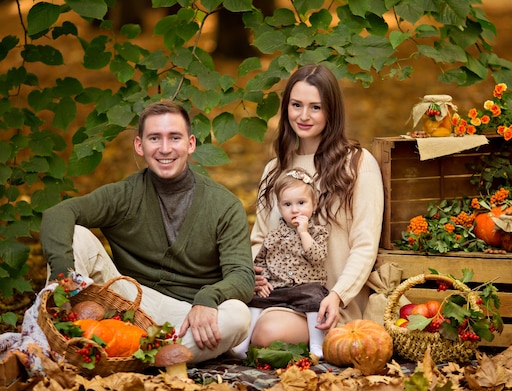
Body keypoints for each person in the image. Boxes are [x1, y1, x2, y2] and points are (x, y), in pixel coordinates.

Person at [40, 100, 255, 364]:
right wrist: (64, 281)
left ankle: (127, 357)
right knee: (76, 235)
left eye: (174, 138)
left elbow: (242, 276)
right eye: (155, 138)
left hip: (186, 315)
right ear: (140, 146)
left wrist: (207, 298)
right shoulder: (126, 194)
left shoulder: (223, 205)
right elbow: (58, 213)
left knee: (237, 315)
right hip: (128, 304)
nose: (165, 149)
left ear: (190, 144)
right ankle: (67, 336)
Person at [247, 64, 384, 351]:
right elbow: (259, 239)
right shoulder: (275, 169)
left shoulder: (357, 164)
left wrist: (338, 295)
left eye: (316, 107)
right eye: (296, 105)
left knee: (265, 333)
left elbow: (364, 245)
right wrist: (254, 274)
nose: (304, 116)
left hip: (331, 303)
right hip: (279, 295)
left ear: (331, 111)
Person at [233, 167, 329, 358]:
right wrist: (263, 281)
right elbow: (262, 261)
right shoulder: (274, 235)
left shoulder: (318, 233)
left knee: (316, 300)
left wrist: (304, 233)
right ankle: (241, 345)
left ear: (314, 204)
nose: (295, 210)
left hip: (305, 287)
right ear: (279, 207)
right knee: (254, 299)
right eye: (287, 204)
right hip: (278, 288)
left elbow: (318, 257)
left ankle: (318, 346)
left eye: (301, 203)